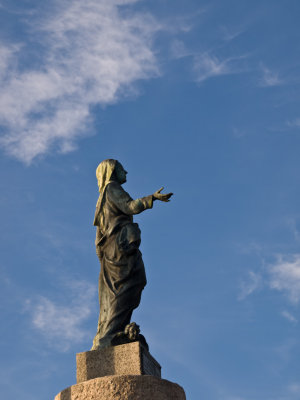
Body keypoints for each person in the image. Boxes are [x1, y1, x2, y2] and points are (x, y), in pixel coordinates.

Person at [91, 159, 173, 350]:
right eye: (121, 169)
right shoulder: (112, 189)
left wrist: (103, 257)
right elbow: (131, 207)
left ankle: (113, 332)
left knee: (118, 290)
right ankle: (108, 338)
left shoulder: (102, 198)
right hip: (121, 248)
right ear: (112, 171)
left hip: (111, 251)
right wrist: (152, 198)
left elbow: (98, 235)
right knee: (127, 287)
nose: (126, 172)